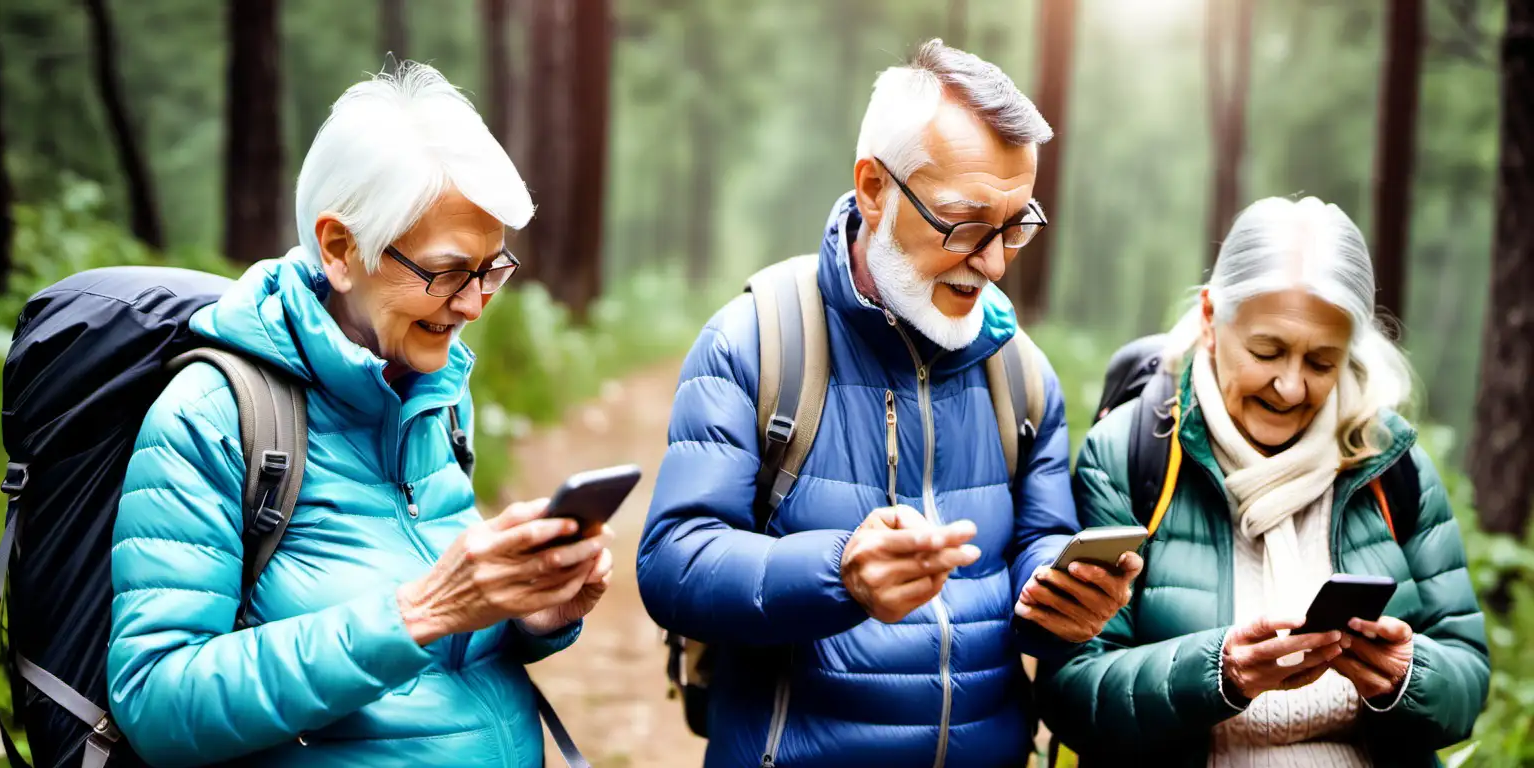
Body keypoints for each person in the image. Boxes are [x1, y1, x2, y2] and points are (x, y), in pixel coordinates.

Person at [637, 40, 1139, 768]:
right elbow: (674, 564)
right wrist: (839, 571)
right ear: (873, 188)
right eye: (964, 225)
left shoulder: (1023, 373)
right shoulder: (757, 340)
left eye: (1017, 225)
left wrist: (1063, 593)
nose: (994, 262)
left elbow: (1036, 550)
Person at [107, 62, 612, 767]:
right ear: (342, 250)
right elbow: (158, 702)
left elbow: (450, 649)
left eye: (492, 269)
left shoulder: (433, 393)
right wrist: (419, 614)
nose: (472, 304)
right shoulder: (213, 418)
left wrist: (531, 615)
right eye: (446, 272)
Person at [1037, 197, 1490, 766]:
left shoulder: (1389, 462)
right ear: (1209, 318)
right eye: (1267, 351)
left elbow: (1468, 678)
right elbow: (1073, 690)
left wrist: (1407, 676)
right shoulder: (1131, 457)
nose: (1291, 387)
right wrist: (1217, 673)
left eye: (1323, 362)